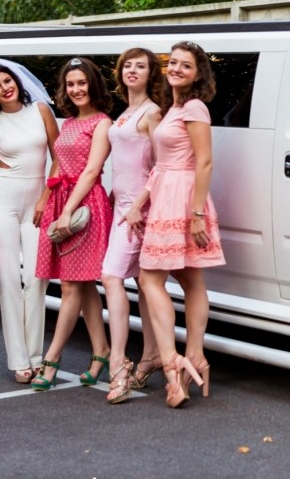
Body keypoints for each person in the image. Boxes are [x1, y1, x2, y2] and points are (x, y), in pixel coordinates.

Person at [129, 40, 225, 408]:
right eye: (174, 63)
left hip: (183, 199)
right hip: (167, 194)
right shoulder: (175, 108)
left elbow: (205, 162)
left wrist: (197, 213)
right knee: (190, 280)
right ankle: (195, 357)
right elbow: (160, 166)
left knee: (150, 279)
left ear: (198, 74)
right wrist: (139, 203)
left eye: (186, 65)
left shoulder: (195, 107)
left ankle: (172, 361)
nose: (177, 69)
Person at [0, 59, 59, 384]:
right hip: (2, 203)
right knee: (9, 280)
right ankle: (19, 360)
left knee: (36, 279)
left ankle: (36, 357)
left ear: (17, 81)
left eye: (7, 81)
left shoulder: (40, 111)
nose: (5, 88)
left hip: (36, 203)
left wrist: (46, 198)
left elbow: (59, 157)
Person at [31, 57, 113, 391]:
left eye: (82, 83)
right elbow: (58, 164)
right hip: (62, 200)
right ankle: (101, 351)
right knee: (82, 284)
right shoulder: (68, 123)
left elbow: (91, 171)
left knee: (69, 286)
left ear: (93, 85)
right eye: (71, 84)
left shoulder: (103, 123)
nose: (76, 89)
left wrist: (67, 211)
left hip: (85, 207)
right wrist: (47, 200)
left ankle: (51, 359)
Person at [101, 47, 164, 404]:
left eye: (141, 66)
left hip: (140, 212)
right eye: (128, 65)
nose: (133, 71)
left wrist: (139, 204)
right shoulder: (125, 112)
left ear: (151, 73)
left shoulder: (152, 113)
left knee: (111, 277)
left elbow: (163, 165)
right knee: (143, 283)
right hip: (122, 207)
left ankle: (118, 363)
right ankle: (151, 355)